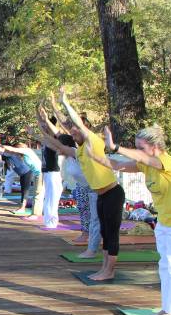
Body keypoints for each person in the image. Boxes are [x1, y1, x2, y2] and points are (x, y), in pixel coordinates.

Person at [93, 125, 171, 315]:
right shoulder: (147, 164)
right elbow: (118, 165)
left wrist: (115, 146)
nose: (138, 151)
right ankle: (168, 307)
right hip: (165, 221)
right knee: (165, 266)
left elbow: (142, 158)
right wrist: (95, 156)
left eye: (141, 147)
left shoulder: (166, 161)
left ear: (155, 146)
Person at [49, 87, 125, 281]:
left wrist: (64, 102)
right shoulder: (80, 151)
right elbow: (60, 143)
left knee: (111, 234)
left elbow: (76, 125)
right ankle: (104, 268)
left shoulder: (94, 141)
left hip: (113, 193)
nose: (73, 134)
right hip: (100, 195)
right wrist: (40, 133)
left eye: (76, 132)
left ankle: (109, 271)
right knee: (104, 233)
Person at [0, 141, 42, 214]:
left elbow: (9, 149)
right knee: (27, 191)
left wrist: (0, 145)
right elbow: (1, 151)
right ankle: (24, 207)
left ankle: (26, 209)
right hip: (28, 174)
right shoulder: (17, 154)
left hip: (31, 173)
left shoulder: (26, 151)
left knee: (27, 191)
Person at [36, 113, 64, 228]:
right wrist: (37, 111)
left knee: (52, 198)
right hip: (47, 172)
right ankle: (48, 222)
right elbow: (41, 125)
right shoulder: (47, 139)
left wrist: (44, 119)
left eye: (46, 125)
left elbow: (45, 126)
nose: (43, 128)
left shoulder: (54, 139)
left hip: (54, 173)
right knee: (48, 197)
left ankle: (52, 222)